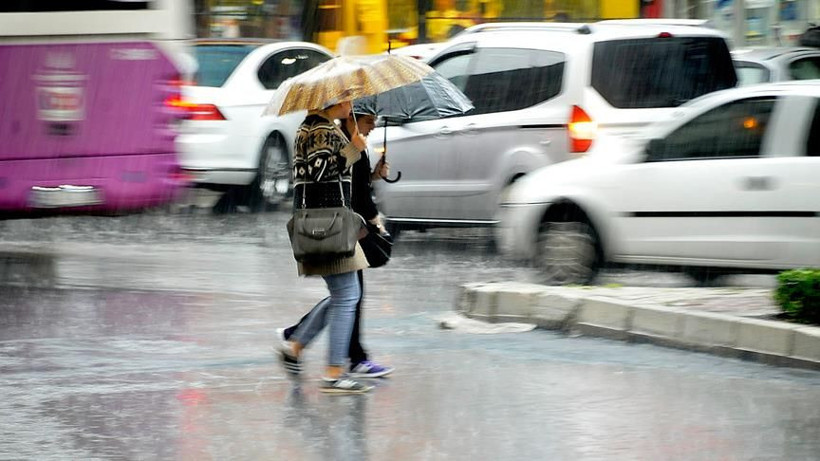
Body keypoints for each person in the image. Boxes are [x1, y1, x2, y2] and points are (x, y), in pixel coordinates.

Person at [279, 103, 394, 383]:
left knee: (344, 295)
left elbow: (338, 178)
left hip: (328, 220)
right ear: (333, 100)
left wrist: (368, 171)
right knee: (347, 296)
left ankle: (296, 345)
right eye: (346, 99)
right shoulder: (319, 129)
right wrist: (354, 149)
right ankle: (333, 372)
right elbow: (320, 173)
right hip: (327, 222)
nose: (350, 104)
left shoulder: (319, 127)